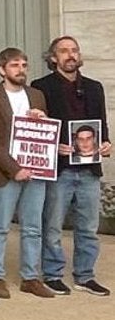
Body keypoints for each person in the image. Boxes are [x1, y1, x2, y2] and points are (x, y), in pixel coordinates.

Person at [32, 36, 112, 295]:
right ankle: (53, 274)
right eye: (64, 51)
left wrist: (107, 143)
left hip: (90, 168)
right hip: (59, 168)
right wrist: (53, 146)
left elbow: (102, 123)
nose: (70, 55)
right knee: (53, 224)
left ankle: (85, 275)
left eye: (74, 50)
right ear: (53, 58)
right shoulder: (40, 87)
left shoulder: (94, 86)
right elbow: (36, 129)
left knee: (89, 226)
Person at [0, 48, 53, 300]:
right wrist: (15, 169)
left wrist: (43, 119)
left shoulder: (37, 95)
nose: (20, 69)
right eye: (14, 65)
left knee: (33, 227)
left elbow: (44, 136)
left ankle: (30, 277)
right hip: (4, 174)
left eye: (24, 64)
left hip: (36, 171)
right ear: (2, 69)